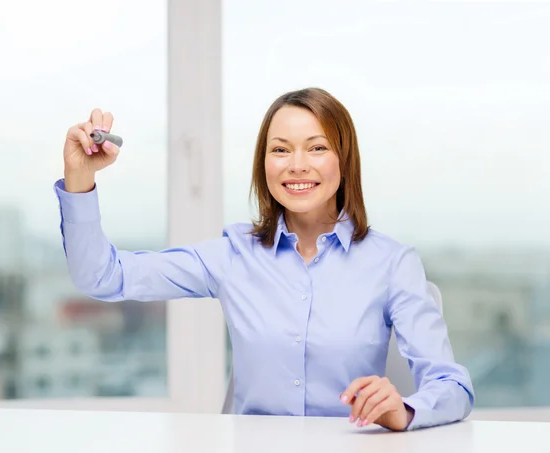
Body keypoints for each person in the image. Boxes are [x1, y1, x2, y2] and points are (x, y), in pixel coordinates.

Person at [54, 87, 474, 431]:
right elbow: (102, 276)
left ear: (343, 160)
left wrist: (404, 409)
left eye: (317, 148)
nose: (297, 166)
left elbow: (452, 385)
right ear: (263, 164)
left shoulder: (391, 263)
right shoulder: (233, 255)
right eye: (280, 150)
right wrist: (80, 178)